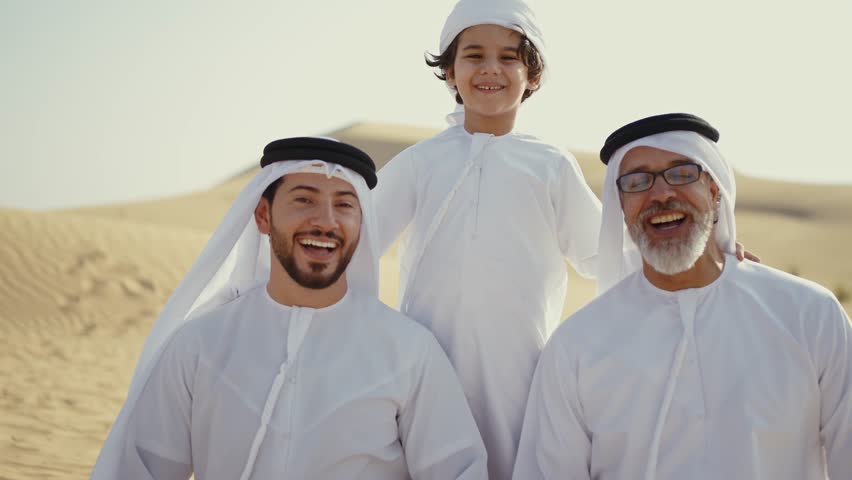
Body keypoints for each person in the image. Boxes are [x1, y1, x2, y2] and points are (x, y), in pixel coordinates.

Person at [91, 137, 488, 480]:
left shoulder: (409, 351)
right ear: (263, 216)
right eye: (304, 200)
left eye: (345, 205)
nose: (326, 222)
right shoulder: (199, 345)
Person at [513, 113, 852, 479]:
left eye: (682, 173)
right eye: (637, 181)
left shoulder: (810, 316)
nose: (661, 194)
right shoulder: (576, 347)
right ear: (620, 208)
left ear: (714, 189)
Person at [373, 1, 604, 478]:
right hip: (428, 362)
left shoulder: (551, 165)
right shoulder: (422, 161)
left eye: (508, 57)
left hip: (519, 368)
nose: (490, 69)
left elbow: (603, 252)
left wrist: (709, 259)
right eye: (474, 55)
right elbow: (356, 238)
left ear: (533, 74)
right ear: (450, 73)